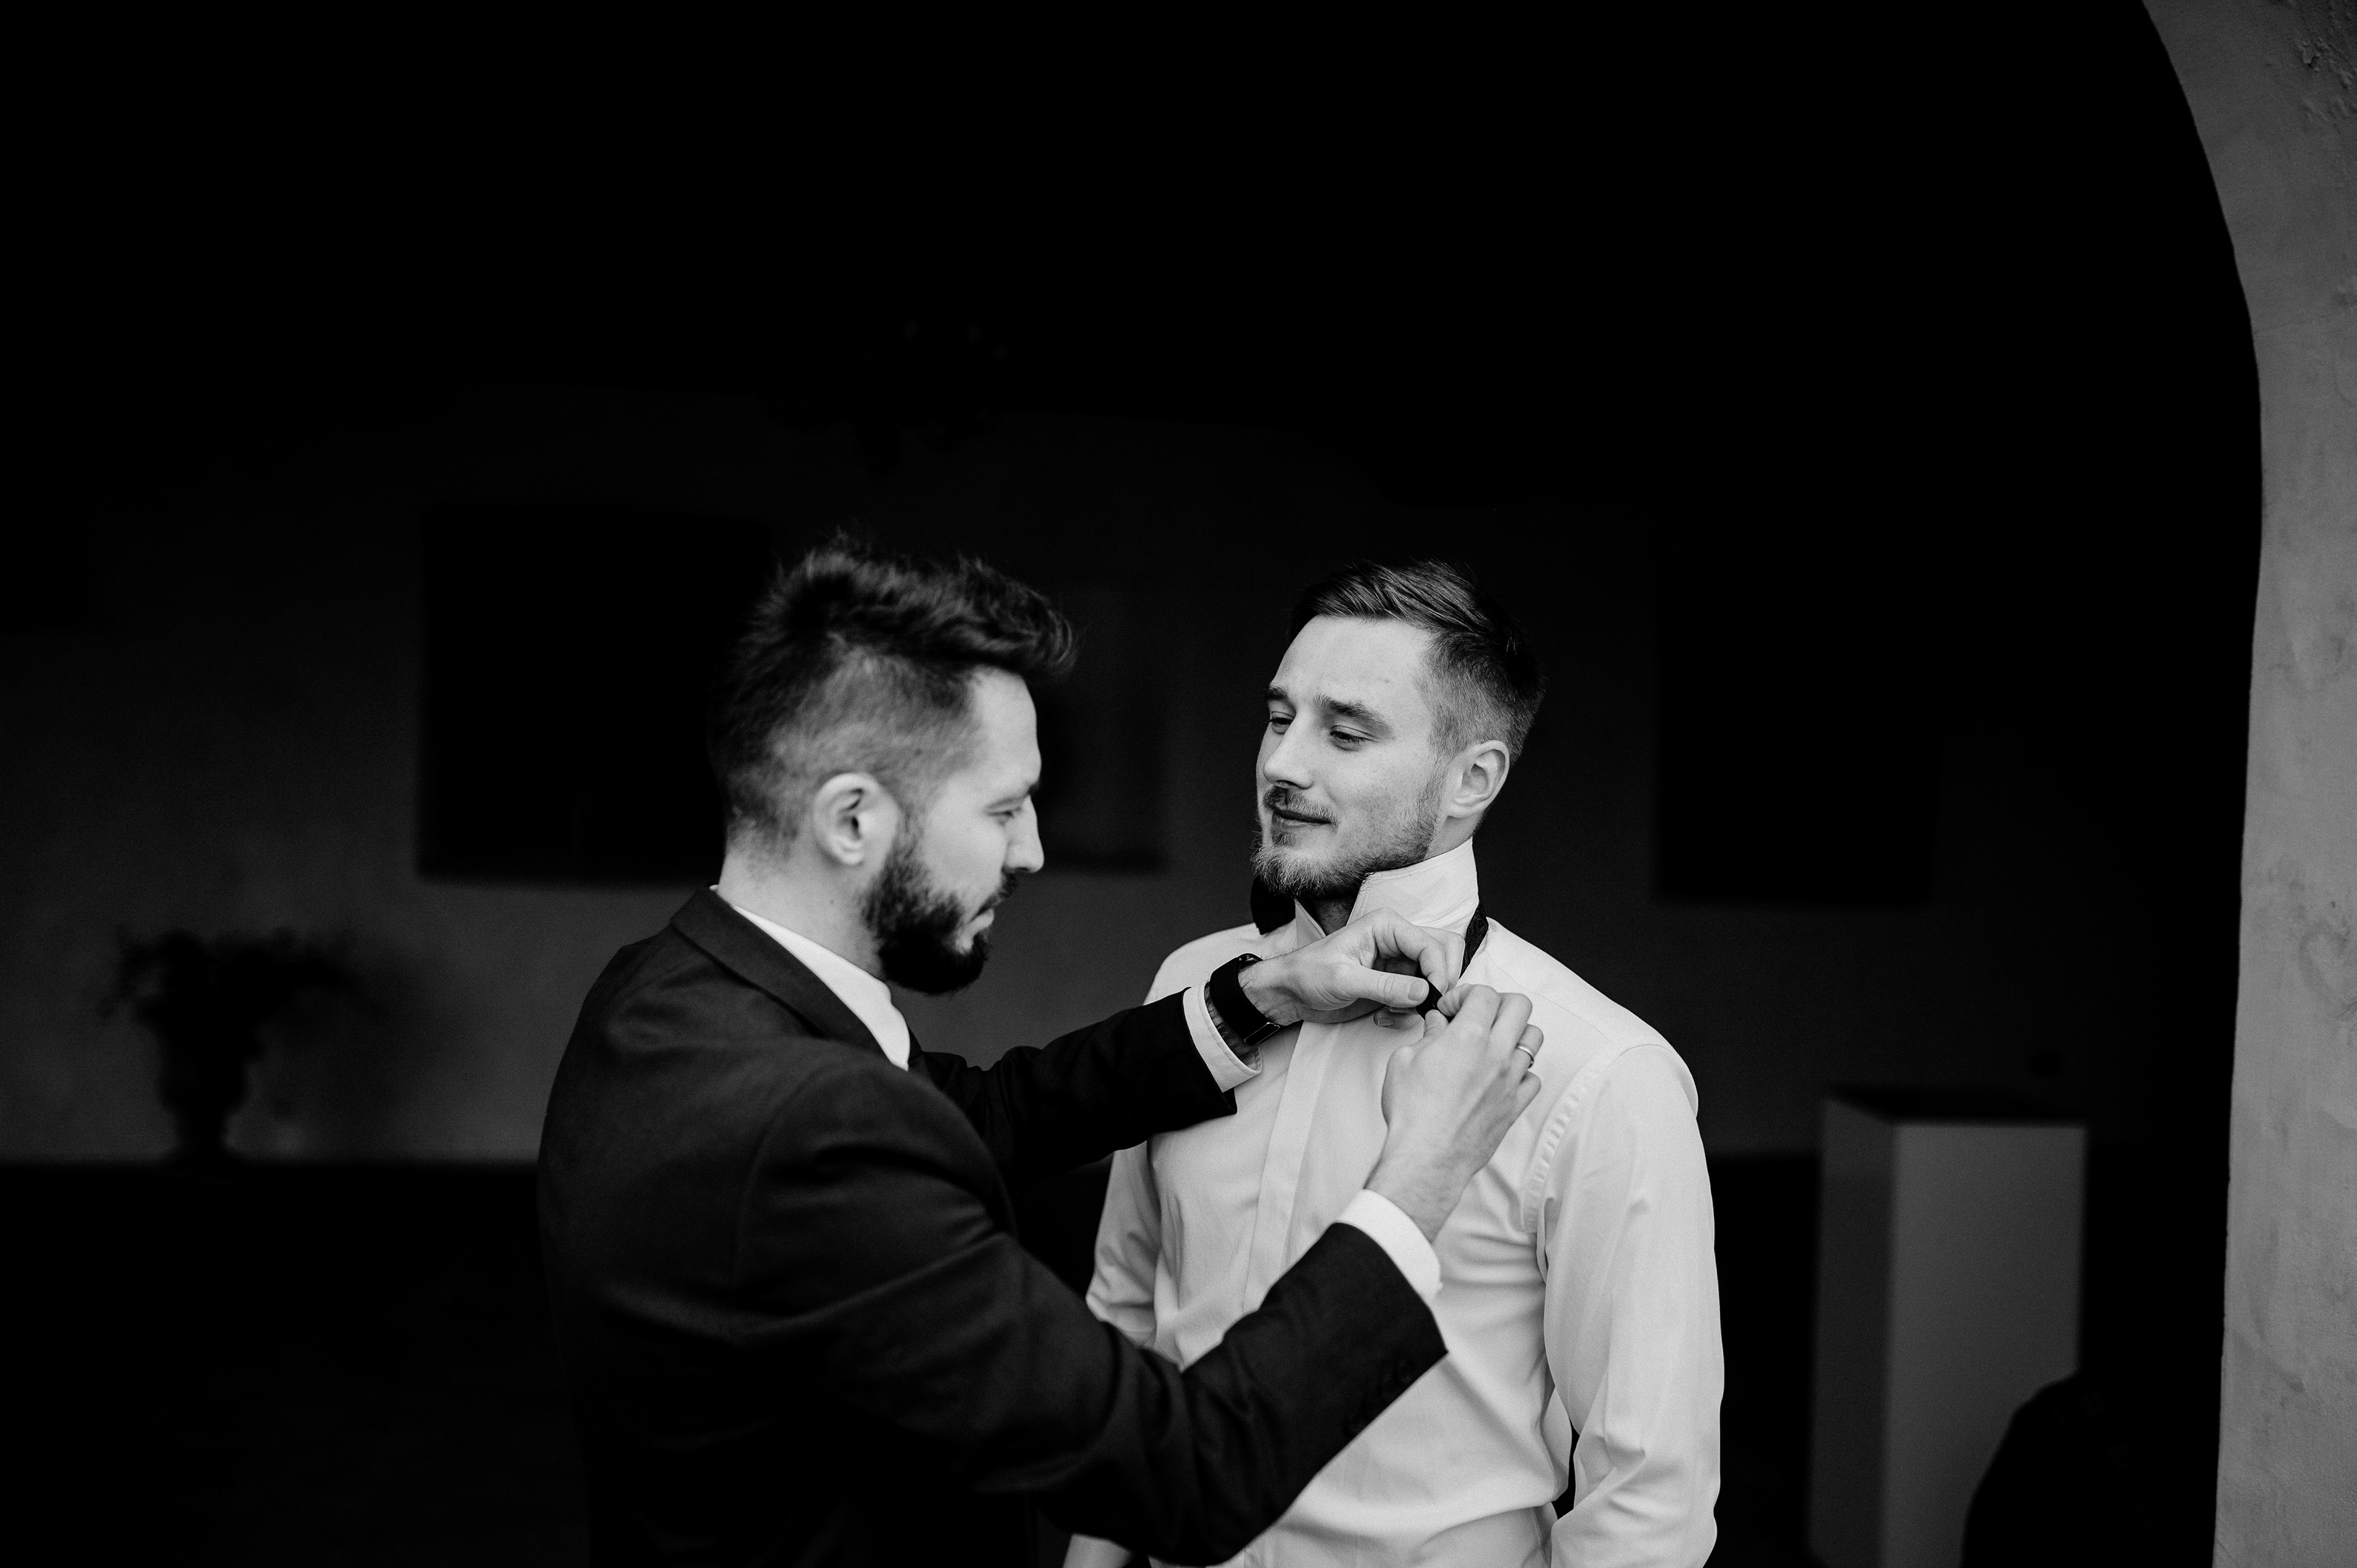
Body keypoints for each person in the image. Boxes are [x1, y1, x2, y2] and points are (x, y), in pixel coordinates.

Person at [537, 539, 1550, 1567]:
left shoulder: (662, 996)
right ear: (852, 819)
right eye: (1002, 808)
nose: (1031, 851)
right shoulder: (812, 1135)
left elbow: (981, 1114)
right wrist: (1417, 1180)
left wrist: (1259, 995)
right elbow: (1195, 1468)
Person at [1067, 562, 1722, 1568]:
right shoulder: (1192, 991)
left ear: (1473, 780)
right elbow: (1127, 1319)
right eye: (1277, 718)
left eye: (1346, 732)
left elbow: (1649, 1500)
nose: (1282, 764)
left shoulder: (1604, 1072)